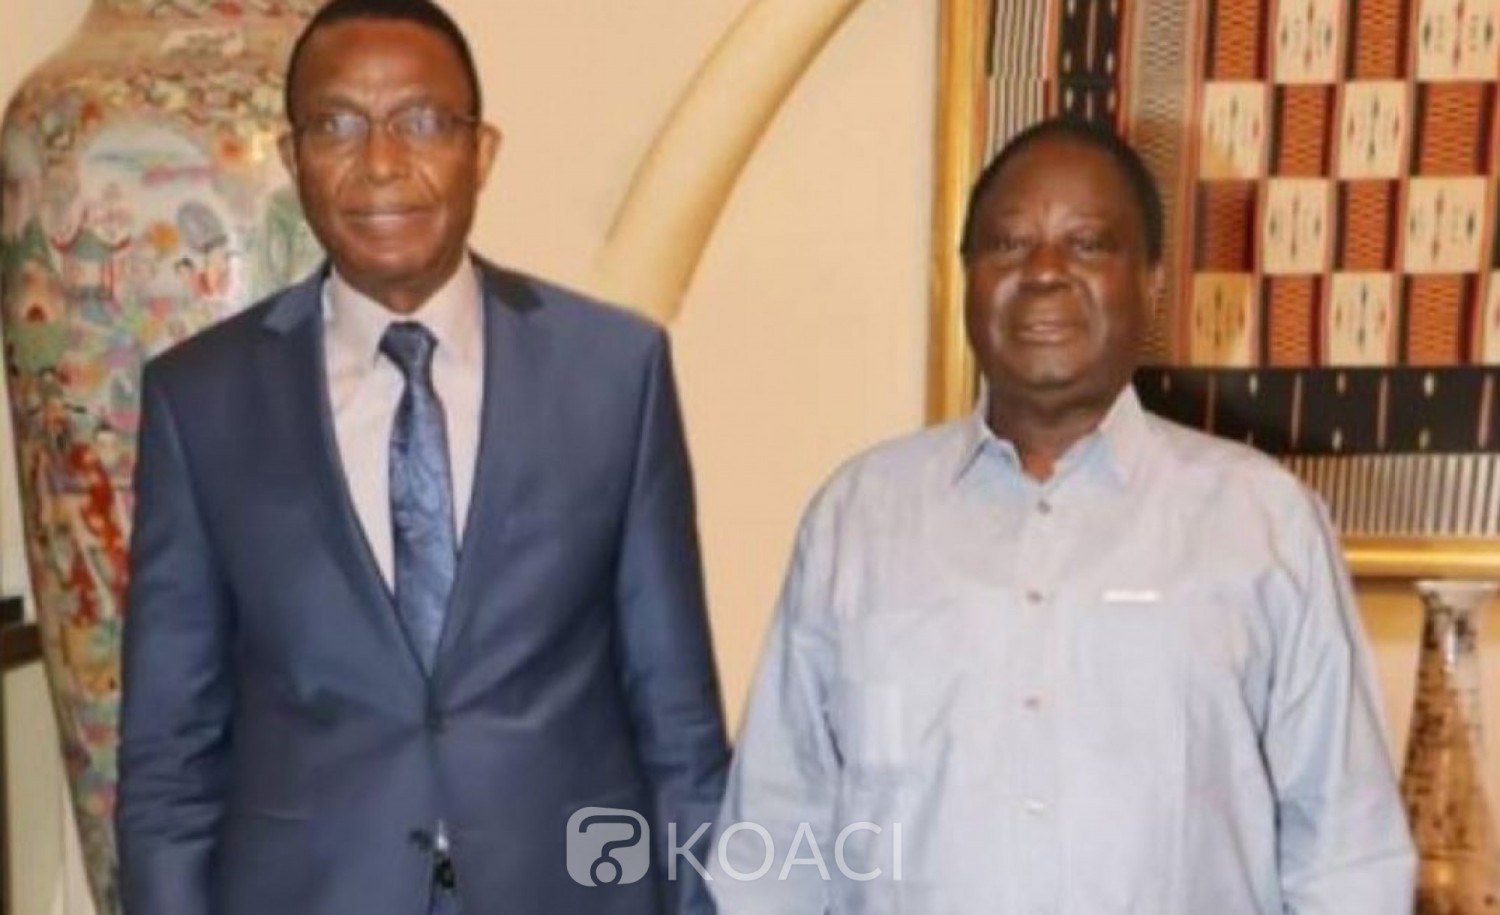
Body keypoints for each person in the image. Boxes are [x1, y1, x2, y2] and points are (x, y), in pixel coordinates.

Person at [709, 117, 1415, 914]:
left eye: (1088, 244)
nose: (1044, 272)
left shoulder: (1264, 525)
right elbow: (774, 837)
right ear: (967, 278)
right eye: (1009, 243)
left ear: (1150, 283)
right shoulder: (857, 521)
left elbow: (1347, 856)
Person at [116, 2, 729, 913]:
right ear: (292, 158)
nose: (381, 162)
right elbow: (169, 756)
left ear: (482, 152)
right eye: (337, 125)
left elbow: (678, 726)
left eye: (423, 121)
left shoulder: (612, 373)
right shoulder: (201, 400)